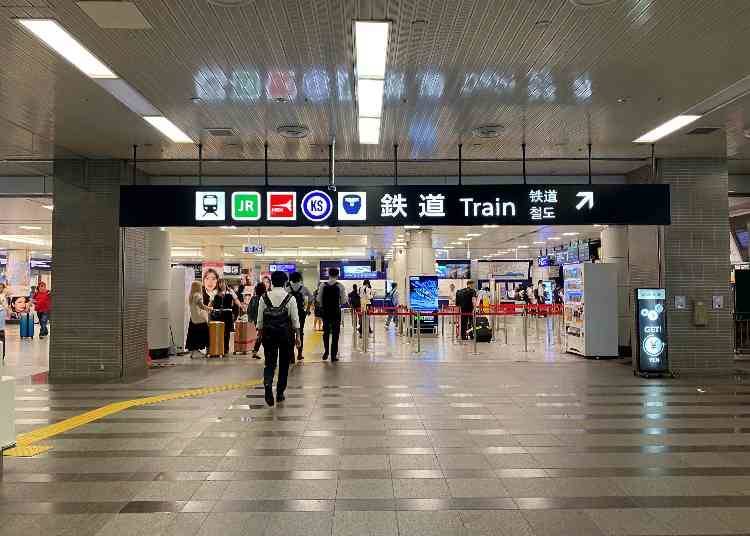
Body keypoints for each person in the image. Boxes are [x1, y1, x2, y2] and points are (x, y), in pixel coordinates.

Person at [256, 270, 300, 406]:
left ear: (271, 282)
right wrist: (298, 336)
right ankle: (280, 393)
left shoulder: (263, 297)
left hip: (269, 334)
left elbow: (259, 321)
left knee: (270, 362)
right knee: (284, 364)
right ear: (285, 282)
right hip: (285, 335)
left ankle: (268, 385)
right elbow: (295, 320)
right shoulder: (290, 298)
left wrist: (260, 334)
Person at [317, 267, 346, 361]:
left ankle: (326, 352)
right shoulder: (340, 286)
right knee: (335, 334)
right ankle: (333, 355)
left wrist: (323, 306)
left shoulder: (322, 285)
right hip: (336, 313)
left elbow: (318, 299)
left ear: (328, 274)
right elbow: (343, 301)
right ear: (337, 275)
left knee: (326, 333)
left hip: (325, 312)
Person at [287, 272, 313, 362]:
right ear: (300, 279)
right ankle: (300, 354)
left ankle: (291, 356)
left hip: (290, 314)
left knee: (290, 334)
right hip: (300, 313)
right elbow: (311, 297)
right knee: (300, 332)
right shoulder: (303, 288)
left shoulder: (287, 289)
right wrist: (308, 309)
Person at [186, 281, 211, 357]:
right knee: (205, 335)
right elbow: (201, 306)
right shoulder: (198, 295)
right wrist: (209, 308)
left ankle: (193, 352)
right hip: (200, 319)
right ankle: (208, 351)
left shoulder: (191, 296)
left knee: (193, 336)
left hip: (193, 319)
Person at [212, 279, 235, 355]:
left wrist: (242, 307)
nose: (221, 284)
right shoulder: (215, 292)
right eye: (219, 283)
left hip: (227, 315)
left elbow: (236, 300)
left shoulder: (230, 292)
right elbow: (211, 303)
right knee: (219, 332)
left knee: (227, 332)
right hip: (218, 315)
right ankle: (219, 348)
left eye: (222, 283)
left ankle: (226, 348)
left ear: (225, 283)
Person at [248, 282, 267, 359]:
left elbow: (249, 310)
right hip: (264, 320)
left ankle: (255, 352)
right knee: (263, 337)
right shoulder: (265, 299)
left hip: (256, 321)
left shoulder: (253, 298)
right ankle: (266, 353)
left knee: (260, 336)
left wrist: (251, 319)